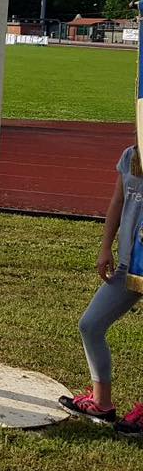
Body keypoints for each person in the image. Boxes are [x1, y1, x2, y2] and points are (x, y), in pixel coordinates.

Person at [59, 144, 143, 435]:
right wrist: (106, 247)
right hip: (127, 267)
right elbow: (118, 201)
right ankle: (101, 403)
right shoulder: (130, 155)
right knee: (90, 325)